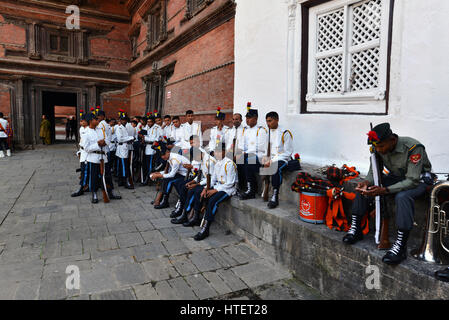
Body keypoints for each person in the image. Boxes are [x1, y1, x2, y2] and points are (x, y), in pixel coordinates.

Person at [343, 123, 432, 265]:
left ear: (392, 140)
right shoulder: (378, 148)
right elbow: (374, 172)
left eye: (382, 146)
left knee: (402, 196)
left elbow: (412, 180)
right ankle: (356, 228)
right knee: (364, 189)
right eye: (376, 147)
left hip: (419, 180)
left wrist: (386, 190)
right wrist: (366, 182)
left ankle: (400, 245)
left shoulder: (413, 148)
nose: (379, 150)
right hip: (397, 177)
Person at [193, 142, 237, 241]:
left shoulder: (229, 164)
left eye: (219, 152)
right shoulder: (217, 163)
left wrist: (215, 190)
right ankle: (197, 217)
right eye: (216, 152)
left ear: (224, 152)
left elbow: (230, 183)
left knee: (213, 200)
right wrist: (206, 189)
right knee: (202, 194)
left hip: (227, 189)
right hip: (219, 186)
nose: (217, 154)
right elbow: (212, 180)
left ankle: (206, 228)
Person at [261, 111, 293, 209]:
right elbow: (266, 149)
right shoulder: (268, 132)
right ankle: (263, 187)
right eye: (267, 121)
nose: (268, 123)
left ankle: (275, 195)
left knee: (275, 167)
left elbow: (288, 152)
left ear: (277, 120)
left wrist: (272, 160)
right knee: (251, 161)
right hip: (270, 158)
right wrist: (265, 159)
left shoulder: (285, 133)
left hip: (283, 159)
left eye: (270, 121)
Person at [238, 105, 267, 200]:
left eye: (249, 118)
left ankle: (252, 190)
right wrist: (240, 152)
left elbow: (260, 147)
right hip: (248, 154)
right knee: (238, 160)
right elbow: (242, 144)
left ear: (255, 118)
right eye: (246, 118)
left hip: (259, 156)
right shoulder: (245, 130)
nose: (247, 120)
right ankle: (242, 186)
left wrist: (246, 153)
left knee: (248, 160)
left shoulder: (261, 130)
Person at [150, 142, 190, 209]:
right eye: (161, 155)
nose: (163, 157)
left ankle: (165, 202)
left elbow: (172, 174)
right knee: (166, 179)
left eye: (164, 154)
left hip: (185, 175)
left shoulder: (174, 159)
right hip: (179, 173)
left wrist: (159, 175)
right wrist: (158, 173)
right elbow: (169, 171)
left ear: (168, 152)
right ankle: (162, 200)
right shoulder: (169, 157)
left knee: (169, 181)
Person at [226, 113, 246, 194]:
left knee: (240, 166)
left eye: (237, 119)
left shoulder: (245, 130)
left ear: (241, 120)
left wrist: (237, 155)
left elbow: (244, 144)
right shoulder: (231, 131)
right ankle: (230, 185)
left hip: (240, 154)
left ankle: (240, 187)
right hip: (231, 153)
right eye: (233, 119)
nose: (235, 121)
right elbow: (229, 143)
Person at [71, 111, 89, 197]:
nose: (80, 122)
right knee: (83, 170)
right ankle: (85, 185)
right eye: (80, 121)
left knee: (85, 171)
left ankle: (82, 187)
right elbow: (81, 141)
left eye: (82, 121)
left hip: (88, 152)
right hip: (83, 151)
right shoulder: (81, 129)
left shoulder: (89, 129)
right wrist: (79, 151)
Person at [141, 114, 163, 186]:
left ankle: (149, 179)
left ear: (153, 122)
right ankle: (147, 178)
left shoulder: (157, 128)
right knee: (146, 165)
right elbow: (142, 136)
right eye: (148, 122)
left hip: (153, 149)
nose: (149, 123)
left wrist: (148, 139)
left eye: (150, 122)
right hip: (146, 148)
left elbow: (159, 138)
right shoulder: (146, 127)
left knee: (151, 165)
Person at [116, 112, 135, 189]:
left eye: (125, 120)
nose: (124, 121)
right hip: (122, 148)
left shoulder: (125, 128)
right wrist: (130, 138)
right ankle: (125, 181)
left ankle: (121, 181)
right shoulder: (119, 128)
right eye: (122, 120)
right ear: (120, 120)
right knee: (124, 165)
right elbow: (120, 139)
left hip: (124, 147)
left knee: (122, 164)